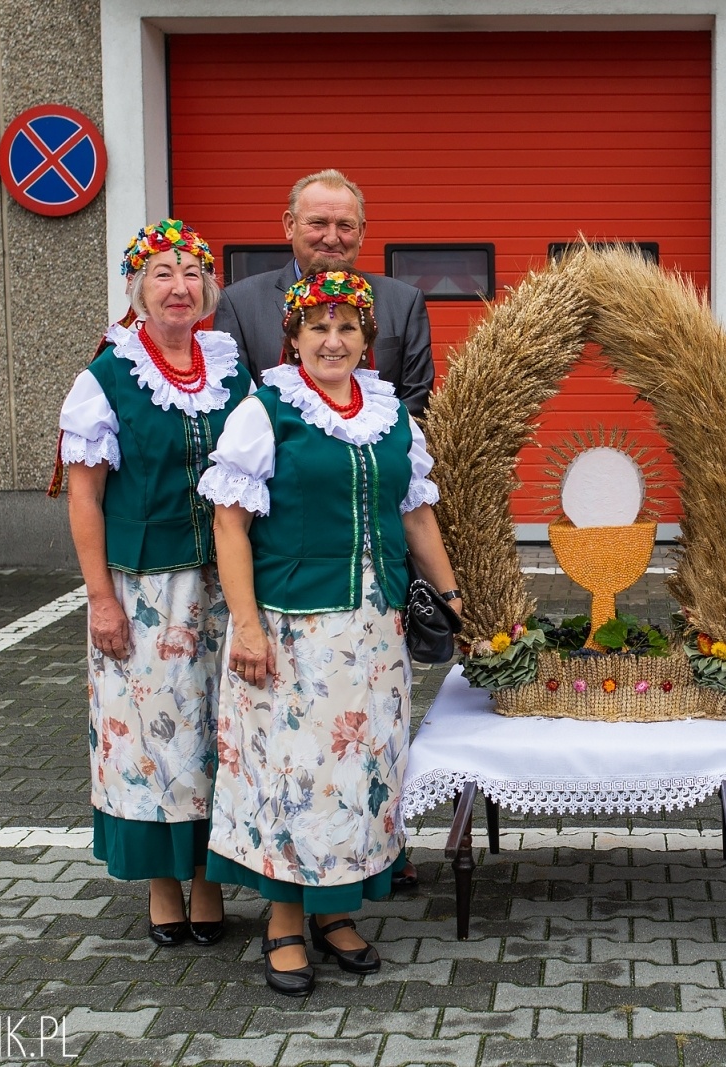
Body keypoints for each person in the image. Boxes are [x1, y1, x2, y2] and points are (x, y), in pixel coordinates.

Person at [199, 270, 461, 997]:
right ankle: (284, 921)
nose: (333, 340)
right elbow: (230, 523)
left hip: (375, 634)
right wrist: (245, 625)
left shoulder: (388, 414)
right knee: (293, 775)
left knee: (358, 776)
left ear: (367, 340)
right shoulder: (265, 410)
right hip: (292, 632)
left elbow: (416, 515)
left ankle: (336, 913)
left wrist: (453, 596)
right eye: (318, 327)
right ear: (294, 336)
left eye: (347, 327)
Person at [58, 219, 251, 947]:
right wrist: (100, 597)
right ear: (138, 290)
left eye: (192, 273)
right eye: (163, 273)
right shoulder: (107, 375)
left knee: (219, 731)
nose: (179, 286)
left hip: (225, 584)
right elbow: (85, 498)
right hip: (145, 591)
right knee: (153, 739)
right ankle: (164, 885)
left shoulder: (232, 366)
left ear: (208, 290)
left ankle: (208, 877)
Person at [214, 169, 435, 418]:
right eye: (318, 223)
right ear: (290, 225)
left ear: (361, 232)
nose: (331, 238)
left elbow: (416, 403)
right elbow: (232, 403)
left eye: (345, 225)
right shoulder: (240, 304)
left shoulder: (404, 303)